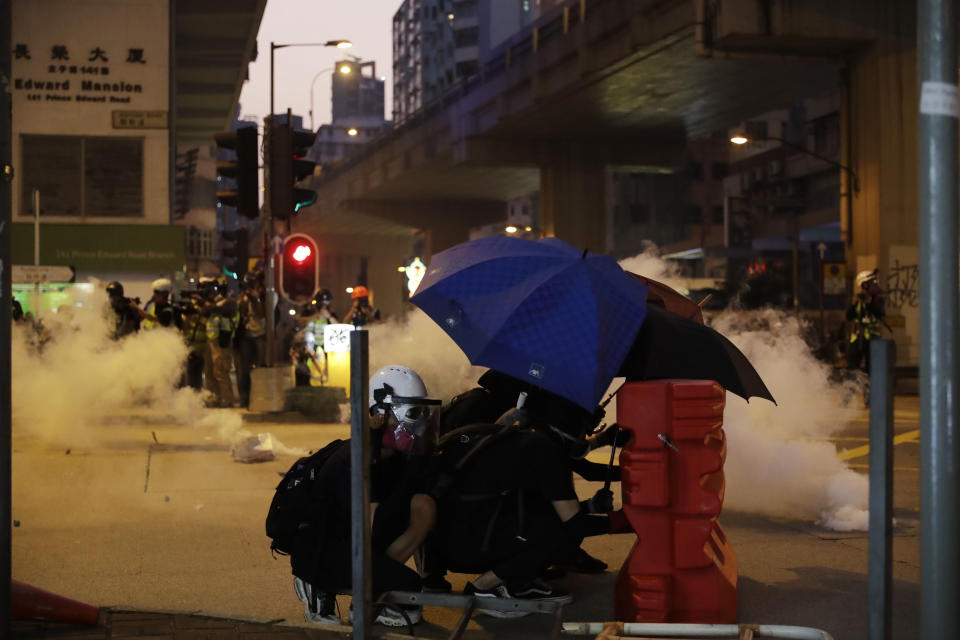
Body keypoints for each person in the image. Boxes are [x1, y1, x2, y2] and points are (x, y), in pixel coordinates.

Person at [286, 365, 442, 627]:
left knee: (422, 507)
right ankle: (316, 584)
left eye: (423, 412)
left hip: (356, 542)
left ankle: (367, 595)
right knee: (408, 586)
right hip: (323, 550)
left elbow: (395, 514)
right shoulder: (355, 459)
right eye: (413, 413)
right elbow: (367, 521)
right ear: (379, 415)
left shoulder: (391, 456)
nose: (419, 424)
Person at [203, 278, 239, 407]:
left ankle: (227, 400)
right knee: (210, 372)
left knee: (221, 371)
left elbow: (219, 309)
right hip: (212, 339)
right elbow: (206, 311)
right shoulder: (215, 303)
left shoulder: (230, 303)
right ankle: (215, 398)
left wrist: (209, 302)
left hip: (222, 341)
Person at [235, 272, 266, 407]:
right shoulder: (241, 298)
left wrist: (256, 299)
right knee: (244, 369)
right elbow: (239, 314)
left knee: (259, 367)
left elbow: (262, 314)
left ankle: (258, 397)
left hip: (258, 334)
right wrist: (244, 298)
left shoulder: (261, 296)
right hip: (245, 335)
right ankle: (244, 399)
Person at [846, 268, 886, 372]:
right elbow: (848, 317)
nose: (876, 284)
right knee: (852, 368)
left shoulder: (878, 299)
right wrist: (853, 304)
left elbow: (880, 314)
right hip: (857, 337)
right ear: (864, 285)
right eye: (873, 282)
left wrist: (870, 304)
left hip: (873, 339)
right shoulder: (856, 299)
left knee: (872, 369)